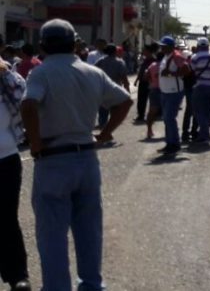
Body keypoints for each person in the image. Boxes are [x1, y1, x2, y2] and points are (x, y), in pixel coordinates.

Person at [21, 19, 132, 291]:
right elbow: (125, 101)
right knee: (89, 231)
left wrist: (35, 143)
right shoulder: (93, 73)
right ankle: (92, 285)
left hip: (53, 160)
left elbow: (28, 104)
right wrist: (105, 134)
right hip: (86, 160)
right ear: (74, 45)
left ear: (43, 46)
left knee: (52, 236)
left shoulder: (41, 73)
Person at [0, 58, 30, 291]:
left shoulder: (10, 81)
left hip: (6, 158)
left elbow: (26, 111)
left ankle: (18, 275)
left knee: (7, 218)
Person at [158, 36, 191, 155]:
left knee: (169, 118)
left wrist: (172, 74)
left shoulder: (176, 56)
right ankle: (169, 143)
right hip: (165, 91)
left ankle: (175, 144)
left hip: (173, 92)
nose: (161, 48)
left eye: (163, 46)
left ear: (170, 47)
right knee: (167, 119)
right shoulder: (166, 56)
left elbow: (186, 69)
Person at [189, 38, 210, 145]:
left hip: (200, 86)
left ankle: (205, 135)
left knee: (197, 111)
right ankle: (203, 135)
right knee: (208, 112)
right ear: (208, 46)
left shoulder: (195, 57)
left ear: (198, 46)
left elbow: (192, 70)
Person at [95, 44, 129, 129]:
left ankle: (103, 125)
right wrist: (127, 90)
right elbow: (124, 78)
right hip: (115, 88)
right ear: (115, 51)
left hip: (102, 88)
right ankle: (110, 128)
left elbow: (94, 72)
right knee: (115, 110)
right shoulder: (120, 62)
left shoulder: (100, 61)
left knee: (103, 109)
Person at [133, 44, 157, 123]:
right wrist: (137, 80)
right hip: (142, 82)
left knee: (152, 100)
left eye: (144, 50)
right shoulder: (144, 60)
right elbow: (141, 71)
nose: (143, 51)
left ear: (149, 51)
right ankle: (140, 115)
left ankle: (152, 115)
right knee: (141, 99)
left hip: (150, 82)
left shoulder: (153, 60)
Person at [144, 52, 163, 140]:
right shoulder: (166, 65)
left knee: (152, 111)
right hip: (166, 89)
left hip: (154, 89)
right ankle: (169, 131)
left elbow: (145, 76)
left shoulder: (152, 65)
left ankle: (149, 130)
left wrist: (151, 81)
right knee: (168, 112)